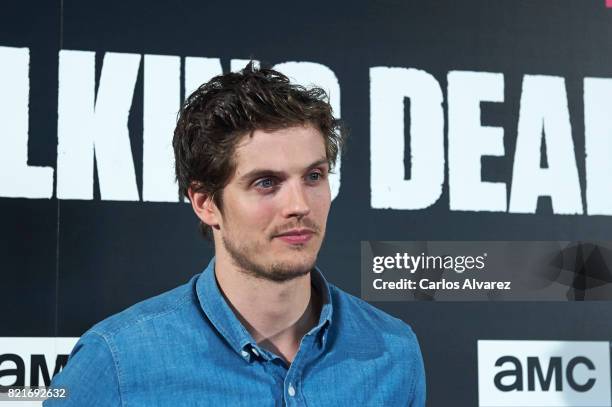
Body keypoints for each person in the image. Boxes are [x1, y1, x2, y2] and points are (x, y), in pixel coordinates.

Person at [46, 63, 426, 406]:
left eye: (314, 176)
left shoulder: (393, 352)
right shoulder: (118, 360)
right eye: (265, 182)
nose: (299, 205)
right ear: (205, 203)